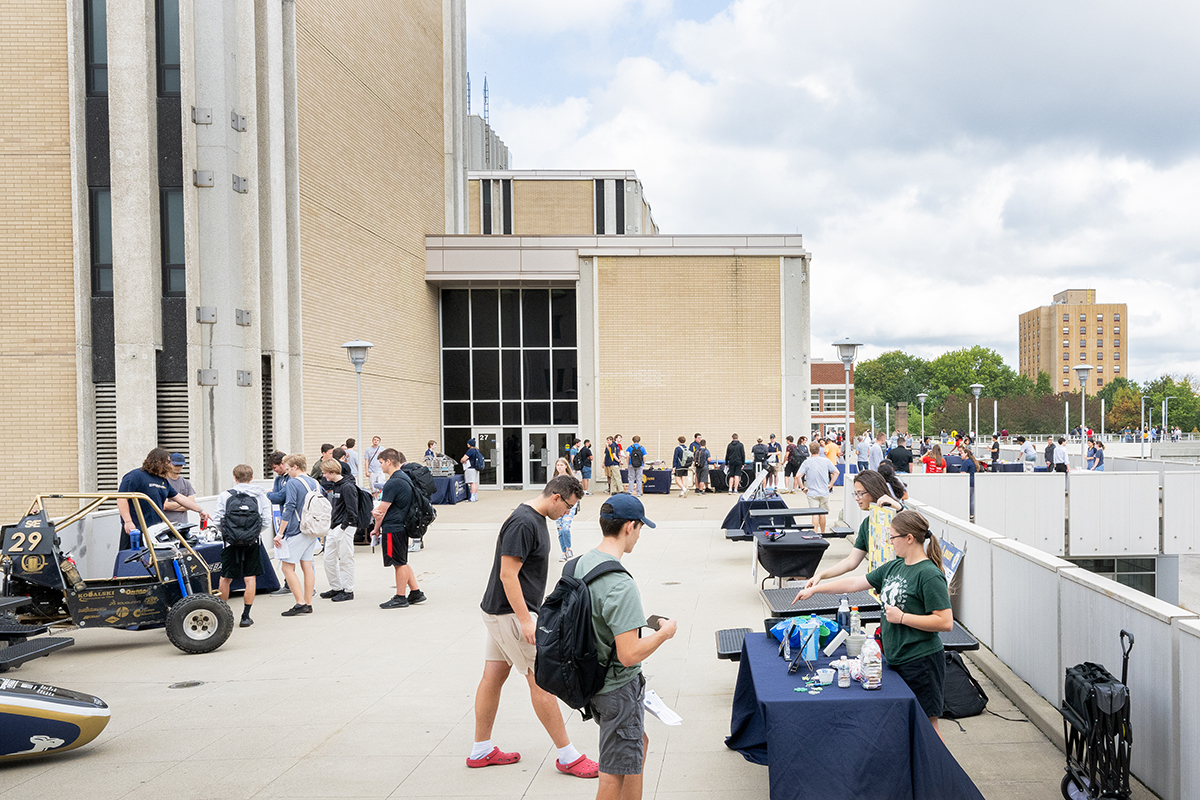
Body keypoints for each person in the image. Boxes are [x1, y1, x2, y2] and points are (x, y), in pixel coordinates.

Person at [467, 474, 598, 779]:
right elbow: (507, 575)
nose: (568, 513)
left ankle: (480, 750)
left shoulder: (532, 516)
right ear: (556, 497)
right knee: (540, 679)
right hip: (511, 615)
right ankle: (568, 756)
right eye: (568, 507)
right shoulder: (525, 522)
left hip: (501, 612)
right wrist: (526, 620)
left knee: (493, 676)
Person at [795, 509, 953, 739]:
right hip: (895, 658)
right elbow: (853, 583)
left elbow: (945, 621)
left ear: (909, 538)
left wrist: (902, 618)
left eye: (893, 537)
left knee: (927, 726)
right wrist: (816, 589)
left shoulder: (928, 574)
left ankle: (940, 773)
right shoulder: (894, 567)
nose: (890, 543)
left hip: (921, 661)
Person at [578, 495, 677, 799]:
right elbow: (629, 653)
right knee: (614, 774)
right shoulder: (620, 583)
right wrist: (664, 633)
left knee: (636, 748)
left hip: (591, 680)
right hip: (617, 687)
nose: (638, 535)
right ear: (630, 526)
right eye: (640, 528)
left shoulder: (582, 563)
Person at [797, 470, 903, 598]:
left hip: (901, 588)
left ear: (874, 491)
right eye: (855, 494)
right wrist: (821, 575)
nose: (857, 498)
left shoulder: (898, 515)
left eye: (860, 494)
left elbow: (917, 527)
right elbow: (851, 561)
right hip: (881, 592)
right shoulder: (867, 523)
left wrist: (899, 508)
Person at [210, 464, 271, 628]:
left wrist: (229, 533)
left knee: (226, 577)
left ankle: (222, 614)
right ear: (252, 478)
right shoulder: (260, 496)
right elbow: (266, 520)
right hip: (253, 542)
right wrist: (254, 533)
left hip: (230, 543)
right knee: (250, 578)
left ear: (234, 478)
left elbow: (217, 520)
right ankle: (245, 616)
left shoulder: (225, 495)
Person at [116, 448, 209, 549]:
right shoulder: (135, 476)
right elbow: (121, 498)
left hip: (155, 531)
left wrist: (200, 510)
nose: (169, 465)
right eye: (168, 462)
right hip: (136, 529)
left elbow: (178, 497)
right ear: (158, 461)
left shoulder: (162, 480)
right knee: (131, 558)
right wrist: (128, 522)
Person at [372, 449, 427, 608]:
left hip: (394, 526)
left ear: (389, 462)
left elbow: (381, 511)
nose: (381, 466)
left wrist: (376, 527)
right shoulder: (404, 477)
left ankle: (400, 596)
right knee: (402, 560)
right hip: (402, 524)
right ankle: (416, 592)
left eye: (381, 463)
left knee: (399, 562)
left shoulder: (393, 482)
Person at [273, 454, 320, 616]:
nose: (287, 472)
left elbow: (289, 507)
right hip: (312, 528)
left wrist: (280, 533)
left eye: (287, 469)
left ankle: (300, 602)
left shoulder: (293, 483)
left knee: (287, 567)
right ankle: (307, 602)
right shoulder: (315, 482)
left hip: (297, 528)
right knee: (307, 565)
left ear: (294, 467)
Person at [317, 459, 360, 602]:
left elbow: (352, 510)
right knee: (328, 559)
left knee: (346, 558)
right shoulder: (335, 486)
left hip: (345, 527)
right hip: (334, 526)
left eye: (325, 473)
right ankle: (336, 587)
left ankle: (348, 590)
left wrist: (343, 527)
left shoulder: (347, 487)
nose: (324, 476)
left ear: (332, 471)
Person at [797, 442, 837, 534]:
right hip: (824, 491)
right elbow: (836, 472)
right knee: (822, 513)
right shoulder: (826, 461)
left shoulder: (807, 462)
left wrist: (803, 488)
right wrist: (830, 484)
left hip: (812, 492)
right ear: (819, 450)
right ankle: (822, 532)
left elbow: (798, 476)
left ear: (810, 451)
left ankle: (815, 532)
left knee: (814, 514)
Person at [552, 457, 579, 560]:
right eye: (558, 465)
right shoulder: (554, 480)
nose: (559, 467)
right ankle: (563, 553)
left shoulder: (571, 479)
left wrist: (570, 506)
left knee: (565, 528)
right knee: (560, 530)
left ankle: (568, 549)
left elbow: (576, 495)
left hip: (568, 507)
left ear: (566, 466)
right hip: (557, 507)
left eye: (561, 465)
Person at [162, 453, 196, 527]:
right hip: (166, 525)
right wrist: (185, 503)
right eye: (175, 465)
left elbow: (192, 504)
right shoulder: (163, 482)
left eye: (180, 465)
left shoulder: (186, 483)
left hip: (183, 525)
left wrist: (188, 505)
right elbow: (165, 505)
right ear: (169, 464)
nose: (178, 467)